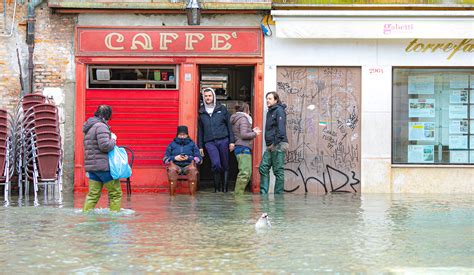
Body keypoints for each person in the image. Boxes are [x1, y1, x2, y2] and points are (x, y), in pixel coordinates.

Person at [82, 105, 121, 212]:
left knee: (93, 195)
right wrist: (113, 139)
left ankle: (86, 217)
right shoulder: (101, 126)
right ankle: (114, 222)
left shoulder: (90, 127)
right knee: (115, 194)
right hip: (104, 167)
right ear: (107, 116)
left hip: (92, 167)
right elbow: (105, 146)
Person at [198, 87, 235, 193]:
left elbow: (229, 125)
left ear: (213, 96)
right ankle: (216, 187)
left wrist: (232, 141)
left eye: (209, 96)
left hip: (223, 140)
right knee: (216, 164)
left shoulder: (222, 109)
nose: (208, 98)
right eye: (206, 96)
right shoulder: (201, 111)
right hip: (209, 142)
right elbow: (200, 131)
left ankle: (225, 188)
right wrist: (200, 146)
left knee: (225, 164)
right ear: (203, 98)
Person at [259, 92, 289, 194]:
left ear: (276, 100)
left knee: (278, 171)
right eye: (266, 98)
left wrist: (274, 143)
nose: (267, 100)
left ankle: (278, 196)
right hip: (271, 144)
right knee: (263, 167)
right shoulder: (270, 111)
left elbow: (281, 130)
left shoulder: (279, 111)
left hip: (278, 143)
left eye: (270, 99)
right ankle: (263, 194)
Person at [230, 103, 261, 195]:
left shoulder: (238, 118)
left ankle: (238, 194)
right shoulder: (243, 119)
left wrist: (252, 131)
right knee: (245, 173)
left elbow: (240, 133)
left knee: (245, 172)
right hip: (243, 148)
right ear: (246, 110)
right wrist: (255, 133)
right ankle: (238, 195)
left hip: (240, 147)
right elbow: (243, 135)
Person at [163, 125, 202, 196]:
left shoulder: (192, 144)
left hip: (188, 166)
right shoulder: (171, 145)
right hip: (175, 166)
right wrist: (175, 158)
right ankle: (172, 197)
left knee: (193, 170)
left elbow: (199, 159)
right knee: (171, 170)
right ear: (177, 135)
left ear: (187, 135)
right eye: (180, 134)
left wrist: (189, 158)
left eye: (184, 134)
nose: (182, 136)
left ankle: (192, 197)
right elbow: (165, 159)